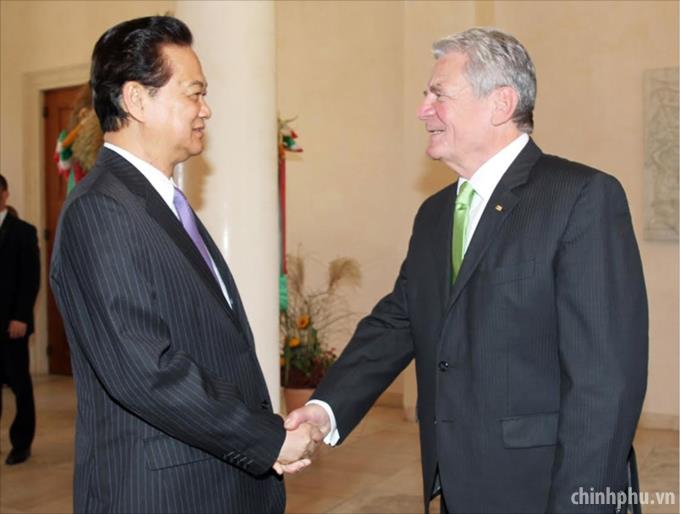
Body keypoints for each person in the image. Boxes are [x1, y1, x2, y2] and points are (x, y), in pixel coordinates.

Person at [286, 27, 648, 513]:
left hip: (544, 489)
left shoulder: (580, 198)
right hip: (459, 487)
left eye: (439, 94)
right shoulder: (435, 213)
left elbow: (605, 383)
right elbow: (399, 320)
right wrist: (324, 409)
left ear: (500, 103)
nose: (423, 110)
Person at [50, 16, 318, 514]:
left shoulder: (158, 202)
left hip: (210, 481)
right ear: (136, 100)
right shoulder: (101, 209)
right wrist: (265, 439)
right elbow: (145, 370)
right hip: (162, 494)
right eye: (194, 94)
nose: (206, 109)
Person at [0, 175, 40, 466]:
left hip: (12, 324)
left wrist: (21, 317)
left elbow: (30, 278)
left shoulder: (23, 231)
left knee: (19, 383)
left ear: (5, 193)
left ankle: (22, 443)